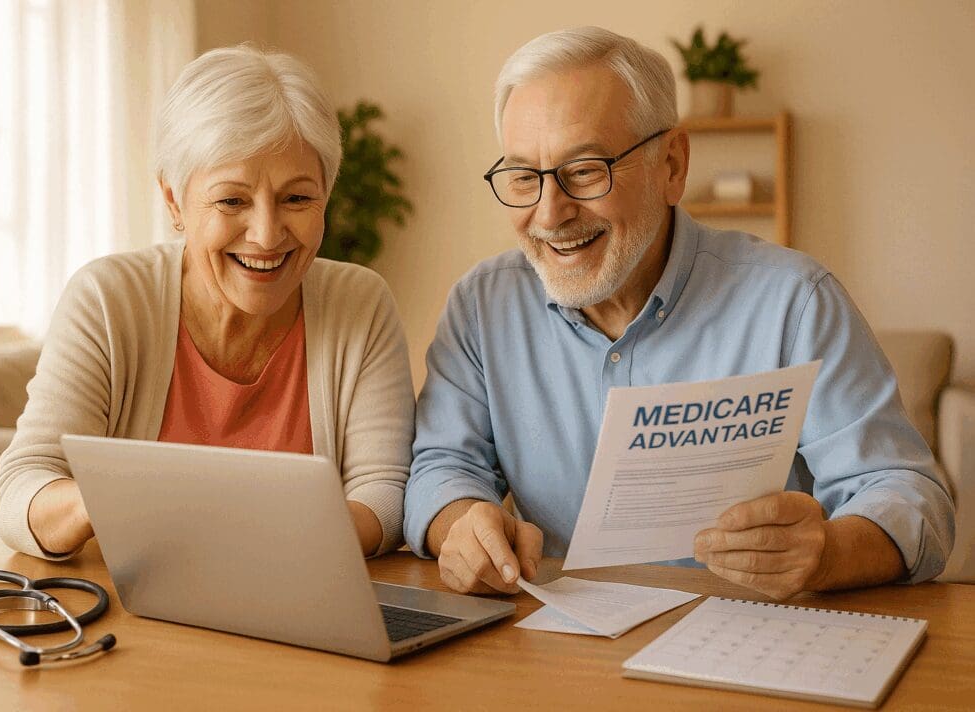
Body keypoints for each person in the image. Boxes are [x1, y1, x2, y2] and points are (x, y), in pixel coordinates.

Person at [404, 27, 954, 600]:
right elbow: (442, 466)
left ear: (672, 164)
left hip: (755, 645)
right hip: (563, 651)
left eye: (586, 170)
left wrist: (829, 554)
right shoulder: (481, 306)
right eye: (523, 177)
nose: (549, 213)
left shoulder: (795, 301)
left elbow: (909, 495)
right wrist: (462, 522)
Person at [0, 45, 414, 560]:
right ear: (174, 201)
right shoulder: (108, 299)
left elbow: (383, 496)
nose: (266, 234)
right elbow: (19, 489)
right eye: (232, 200)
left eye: (297, 198)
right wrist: (108, 499)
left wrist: (249, 540)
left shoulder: (360, 304)